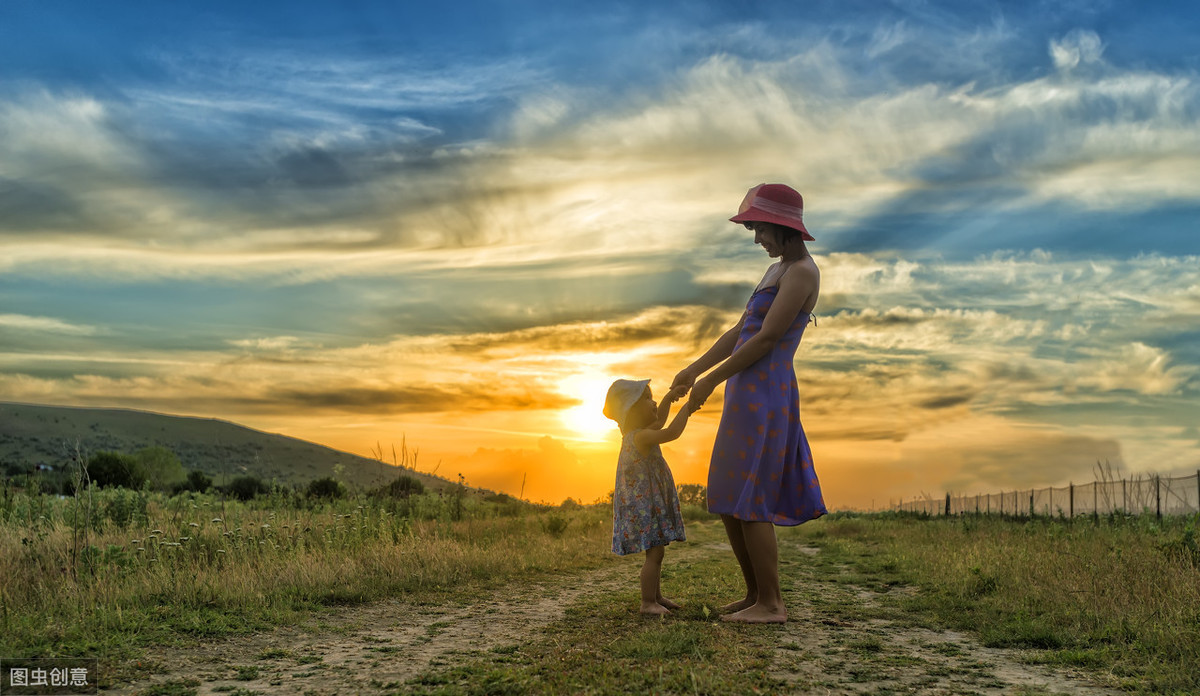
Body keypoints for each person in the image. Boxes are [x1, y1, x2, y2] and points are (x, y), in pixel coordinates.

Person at [672, 183, 827, 624]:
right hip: (744, 392)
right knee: (727, 494)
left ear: (781, 226)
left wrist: (710, 383)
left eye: (758, 227)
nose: (756, 237)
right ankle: (755, 594)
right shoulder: (776, 270)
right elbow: (739, 330)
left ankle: (772, 604)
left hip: (767, 394)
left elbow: (768, 338)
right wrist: (694, 371)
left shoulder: (802, 272)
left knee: (751, 496)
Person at [602, 378, 697, 616]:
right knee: (654, 554)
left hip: (648, 505)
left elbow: (661, 420)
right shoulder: (639, 437)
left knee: (657, 551)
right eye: (647, 398)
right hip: (645, 507)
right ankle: (647, 602)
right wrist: (689, 406)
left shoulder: (638, 434)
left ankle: (656, 597)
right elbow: (672, 431)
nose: (653, 402)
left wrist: (668, 398)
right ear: (631, 410)